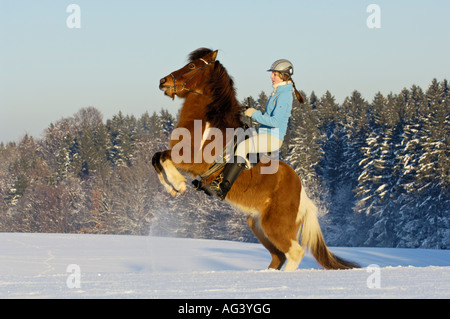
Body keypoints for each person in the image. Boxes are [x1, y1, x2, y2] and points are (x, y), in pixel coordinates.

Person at [209, 59, 305, 201]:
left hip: (273, 138)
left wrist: (253, 113)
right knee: (236, 137)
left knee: (243, 146)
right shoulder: (278, 92)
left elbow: (275, 121)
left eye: (275, 74)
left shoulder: (284, 95)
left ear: (284, 76)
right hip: (264, 134)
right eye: (272, 74)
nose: (271, 77)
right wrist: (248, 111)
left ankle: (223, 189)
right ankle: (211, 178)